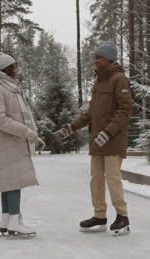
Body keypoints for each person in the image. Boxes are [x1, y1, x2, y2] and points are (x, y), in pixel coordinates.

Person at [57, 41, 133, 236]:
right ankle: (99, 216)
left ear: (108, 58)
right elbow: (90, 113)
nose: (95, 60)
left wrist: (108, 132)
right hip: (97, 140)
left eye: (98, 57)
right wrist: (72, 127)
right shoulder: (98, 82)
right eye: (95, 57)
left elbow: (125, 110)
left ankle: (122, 216)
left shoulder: (119, 79)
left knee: (113, 178)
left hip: (112, 139)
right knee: (96, 179)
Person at [0, 51, 45, 237]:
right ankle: (15, 221)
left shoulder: (7, 87)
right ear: (8, 69)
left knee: (8, 182)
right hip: (6, 142)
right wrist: (26, 132)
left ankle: (7, 219)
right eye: (14, 66)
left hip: (9, 142)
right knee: (13, 181)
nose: (17, 69)